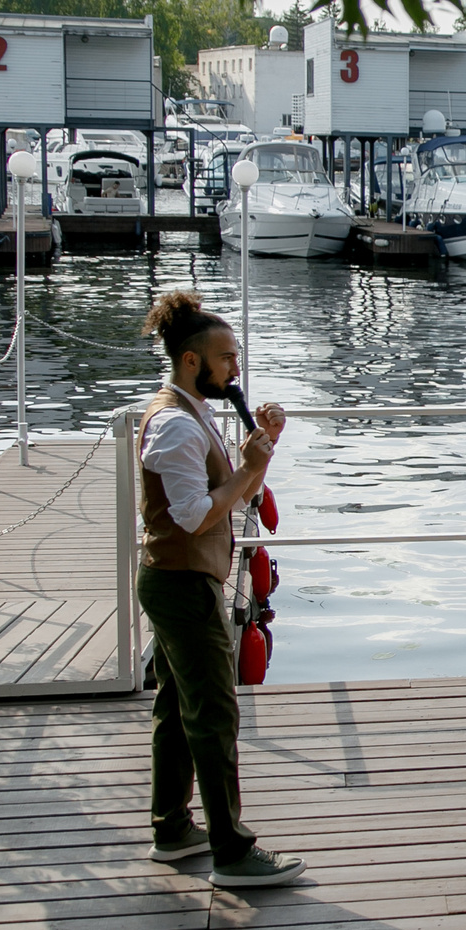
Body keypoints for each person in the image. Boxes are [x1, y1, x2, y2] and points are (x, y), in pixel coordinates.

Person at [133, 291, 302, 887]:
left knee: (178, 710)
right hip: (179, 582)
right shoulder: (176, 425)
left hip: (185, 578)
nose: (236, 370)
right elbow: (196, 516)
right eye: (227, 359)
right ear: (189, 362)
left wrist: (260, 454)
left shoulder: (195, 413)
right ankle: (232, 853)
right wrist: (248, 468)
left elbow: (236, 494)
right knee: (213, 713)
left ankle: (172, 829)